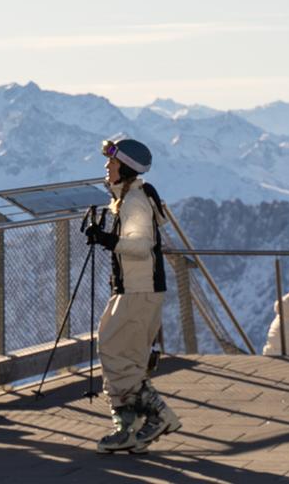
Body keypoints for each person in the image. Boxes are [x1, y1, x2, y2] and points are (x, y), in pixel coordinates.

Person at [82, 136, 181, 454]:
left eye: (111, 162)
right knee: (129, 359)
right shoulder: (131, 198)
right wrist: (107, 238)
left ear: (125, 167)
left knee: (112, 349)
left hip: (138, 291)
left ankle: (157, 416)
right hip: (137, 289)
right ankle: (132, 427)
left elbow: (141, 246)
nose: (106, 166)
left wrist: (106, 240)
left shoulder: (134, 202)